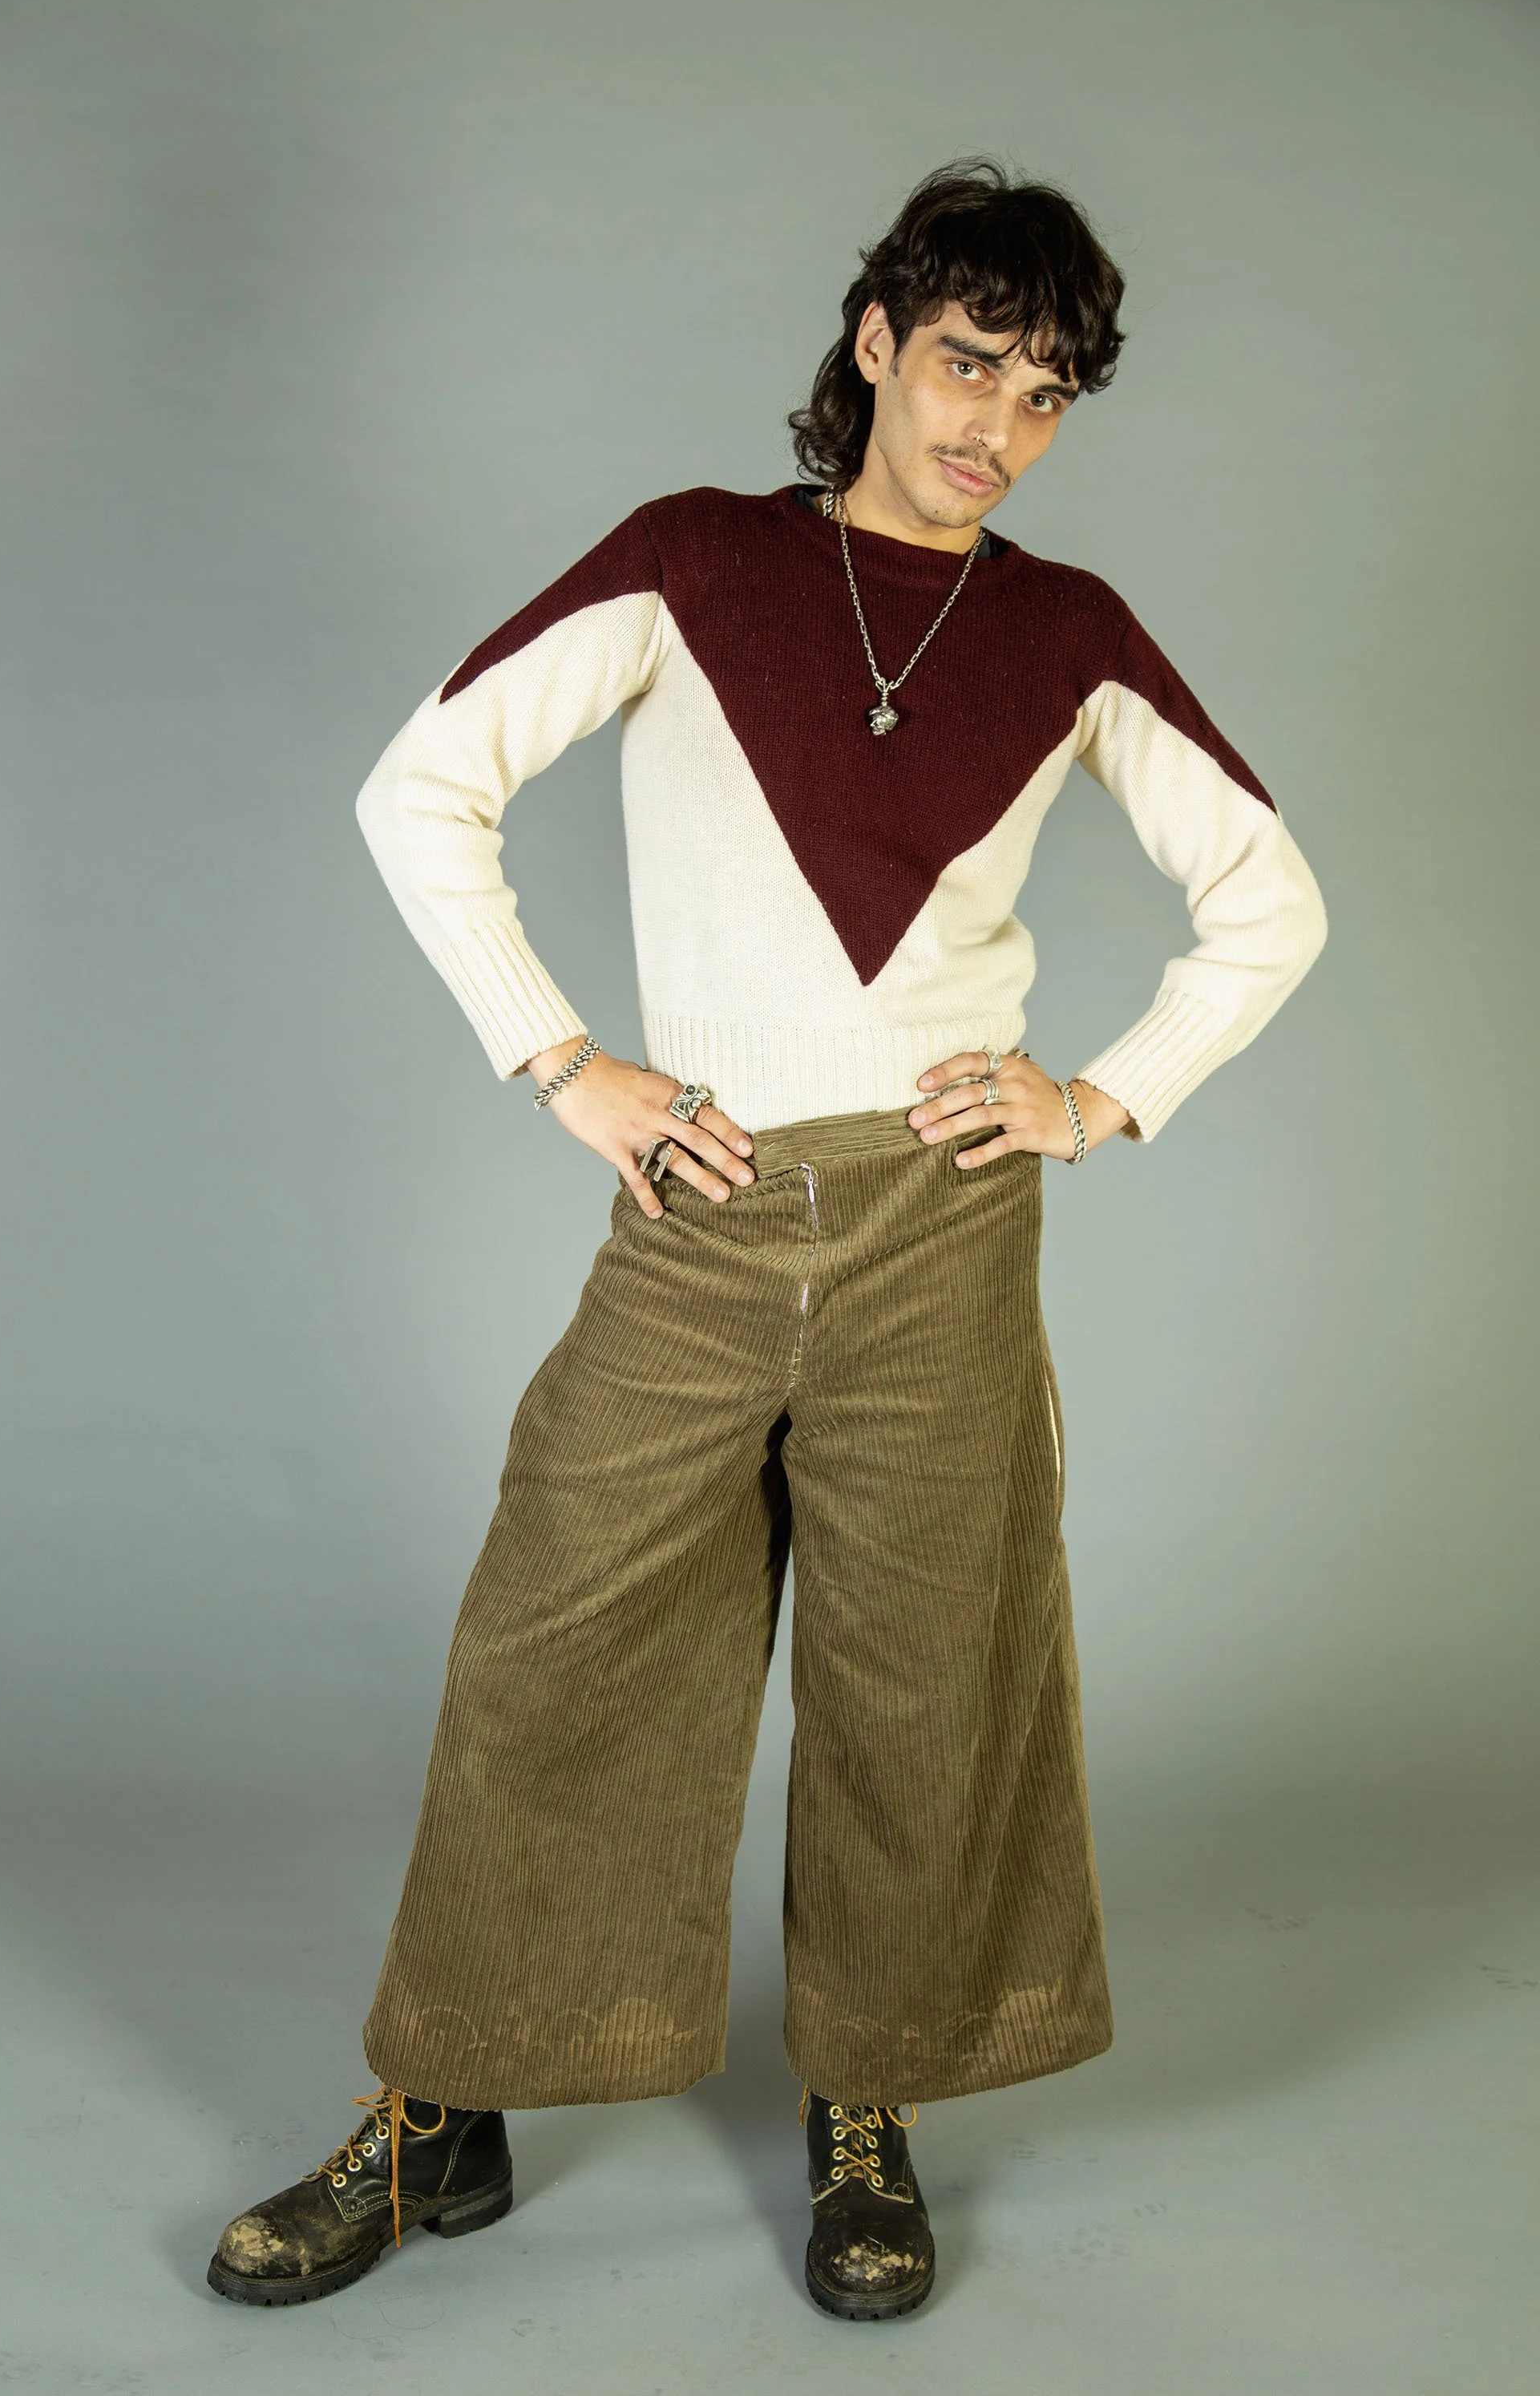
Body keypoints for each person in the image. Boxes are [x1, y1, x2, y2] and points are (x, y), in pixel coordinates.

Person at [207, 156, 1328, 2323]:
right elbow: (420, 787)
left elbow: (1269, 901)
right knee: (553, 1648)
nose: (999, 425)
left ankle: (865, 2107)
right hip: (704, 1215)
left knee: (920, 1686)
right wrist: (562, 1061)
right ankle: (440, 2108)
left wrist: (1099, 1095)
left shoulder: (1070, 635)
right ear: (876, 341)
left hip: (943, 1232)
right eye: (971, 363)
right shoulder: (694, 562)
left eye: (1049, 394)